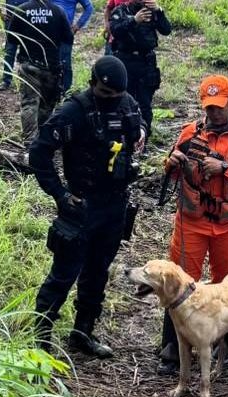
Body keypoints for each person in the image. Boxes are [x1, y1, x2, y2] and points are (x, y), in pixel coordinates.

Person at [28, 56, 145, 358]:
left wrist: (141, 132)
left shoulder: (127, 101)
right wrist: (60, 194)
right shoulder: (74, 111)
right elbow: (40, 153)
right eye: (106, 95)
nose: (112, 101)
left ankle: (83, 333)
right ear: (93, 83)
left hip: (115, 204)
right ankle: (40, 338)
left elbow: (138, 122)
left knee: (97, 273)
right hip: (81, 205)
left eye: (117, 96)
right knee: (64, 274)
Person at [157, 75, 228, 375]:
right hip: (192, 222)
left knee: (227, 286)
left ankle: (225, 352)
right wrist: (171, 163)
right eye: (209, 108)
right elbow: (170, 169)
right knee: (178, 282)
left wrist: (226, 168)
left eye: (219, 107)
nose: (214, 113)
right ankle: (173, 348)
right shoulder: (190, 132)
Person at [6, 0, 74, 143]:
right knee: (47, 106)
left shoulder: (21, 10)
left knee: (29, 103)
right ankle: (43, 140)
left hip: (29, 65)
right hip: (52, 66)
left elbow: (11, 38)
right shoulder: (58, 11)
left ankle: (30, 141)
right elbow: (69, 38)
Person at [109, 0, 171, 150]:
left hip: (146, 63)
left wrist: (159, 11)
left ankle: (143, 141)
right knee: (123, 103)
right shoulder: (121, 11)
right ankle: (124, 140)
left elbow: (166, 29)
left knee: (145, 105)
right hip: (126, 61)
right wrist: (134, 20)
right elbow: (115, 30)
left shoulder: (152, 11)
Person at [52, 0, 94, 92]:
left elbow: (89, 7)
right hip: (48, 29)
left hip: (65, 31)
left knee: (65, 63)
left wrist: (77, 26)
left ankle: (66, 91)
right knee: (49, 62)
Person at [0, 0, 28, 91]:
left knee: (26, 51)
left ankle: (25, 81)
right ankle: (6, 80)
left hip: (27, 21)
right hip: (11, 20)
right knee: (10, 51)